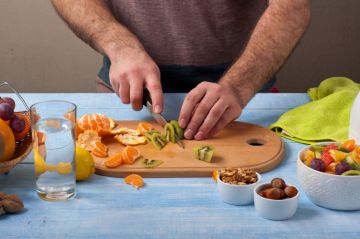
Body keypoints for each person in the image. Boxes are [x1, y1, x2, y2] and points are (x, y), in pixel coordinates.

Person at [51, 0, 311, 140]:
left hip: (246, 96)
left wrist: (239, 85)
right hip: (127, 93)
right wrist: (119, 46)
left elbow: (291, 7)